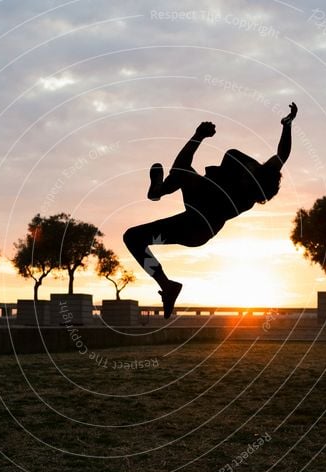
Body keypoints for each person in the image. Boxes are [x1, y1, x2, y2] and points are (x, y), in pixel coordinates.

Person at [123, 103, 298, 318]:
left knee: (182, 172)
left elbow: (182, 167)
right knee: (133, 238)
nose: (245, 177)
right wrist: (287, 125)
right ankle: (167, 286)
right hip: (194, 221)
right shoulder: (263, 172)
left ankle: (159, 189)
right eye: (247, 176)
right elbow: (283, 154)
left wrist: (199, 135)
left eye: (247, 181)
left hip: (197, 225)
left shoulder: (239, 198)